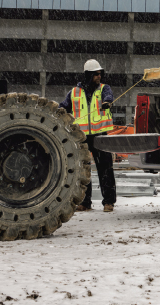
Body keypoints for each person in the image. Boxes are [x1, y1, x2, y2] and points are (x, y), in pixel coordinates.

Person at [59, 59, 116, 212]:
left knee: (105, 168)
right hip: (81, 136)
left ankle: (108, 202)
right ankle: (85, 202)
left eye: (100, 74)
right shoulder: (74, 92)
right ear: (89, 75)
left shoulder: (104, 89)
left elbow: (108, 96)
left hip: (100, 135)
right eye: (96, 74)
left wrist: (107, 102)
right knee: (83, 170)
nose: (99, 76)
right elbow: (63, 107)